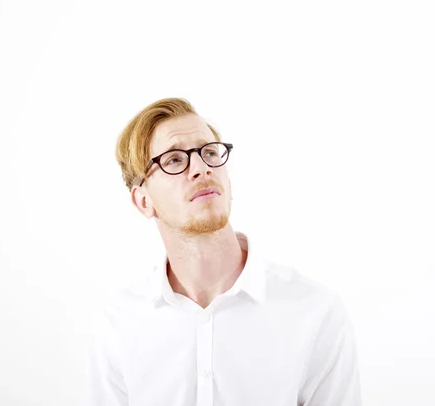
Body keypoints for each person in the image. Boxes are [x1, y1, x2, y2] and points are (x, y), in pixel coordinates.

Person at [84, 98, 362, 405]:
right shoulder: (118, 322)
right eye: (174, 160)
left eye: (210, 153)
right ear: (143, 201)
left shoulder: (314, 311)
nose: (201, 168)